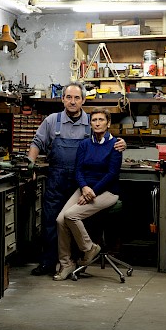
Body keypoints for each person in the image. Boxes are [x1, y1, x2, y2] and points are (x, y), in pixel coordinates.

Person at [27, 81, 126, 276]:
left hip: (82, 182)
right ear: (63, 99)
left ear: (83, 100)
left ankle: (77, 264)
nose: (72, 102)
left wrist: (122, 143)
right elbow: (37, 141)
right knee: (51, 222)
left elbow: (106, 141)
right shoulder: (52, 121)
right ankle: (49, 263)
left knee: (77, 222)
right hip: (57, 178)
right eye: (69, 97)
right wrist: (30, 165)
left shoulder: (91, 122)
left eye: (77, 98)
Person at [53, 108, 122, 281]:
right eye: (94, 120)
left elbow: (111, 174)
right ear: (90, 123)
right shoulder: (85, 144)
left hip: (106, 191)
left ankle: (89, 248)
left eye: (101, 120)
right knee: (60, 219)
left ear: (108, 123)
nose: (97, 123)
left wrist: (92, 192)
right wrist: (84, 187)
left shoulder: (115, 145)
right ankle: (66, 263)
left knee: (71, 215)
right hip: (86, 188)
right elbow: (78, 169)